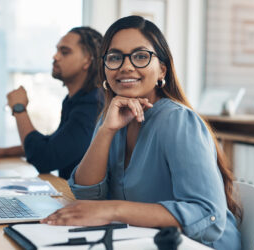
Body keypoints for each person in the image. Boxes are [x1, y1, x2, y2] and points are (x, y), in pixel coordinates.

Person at [40, 16, 241, 249]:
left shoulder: (177, 120)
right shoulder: (111, 117)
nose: (126, 66)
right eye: (115, 58)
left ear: (161, 70)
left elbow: (208, 216)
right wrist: (107, 131)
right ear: (104, 69)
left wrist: (113, 210)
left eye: (141, 56)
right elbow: (87, 197)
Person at [0, 27, 104, 179]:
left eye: (64, 52)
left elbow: (45, 159)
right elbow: (56, 144)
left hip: (82, 200)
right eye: (57, 50)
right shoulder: (74, 100)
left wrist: (19, 109)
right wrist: (3, 152)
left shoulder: (92, 106)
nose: (55, 56)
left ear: (87, 60)